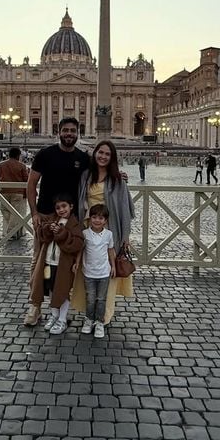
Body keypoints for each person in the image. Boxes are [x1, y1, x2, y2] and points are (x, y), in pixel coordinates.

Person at [72, 139, 135, 326]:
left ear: (112, 158)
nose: (103, 156)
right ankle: (89, 312)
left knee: (108, 273)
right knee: (88, 271)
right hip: (87, 229)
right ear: (95, 153)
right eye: (100, 152)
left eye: (107, 154)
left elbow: (124, 208)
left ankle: (103, 316)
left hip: (110, 229)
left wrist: (125, 237)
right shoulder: (85, 176)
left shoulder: (117, 179)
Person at [25, 194, 84, 334]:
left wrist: (63, 234)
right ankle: (54, 315)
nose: (61, 210)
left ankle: (62, 319)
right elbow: (41, 235)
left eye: (64, 206)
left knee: (62, 291)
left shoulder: (74, 223)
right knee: (51, 289)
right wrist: (47, 229)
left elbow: (77, 244)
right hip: (48, 262)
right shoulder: (52, 219)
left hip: (62, 265)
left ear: (71, 206)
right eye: (58, 207)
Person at [74, 204, 116, 339]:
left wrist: (113, 266)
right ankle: (89, 319)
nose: (97, 220)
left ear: (106, 221)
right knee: (90, 299)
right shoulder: (85, 234)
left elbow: (110, 251)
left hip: (104, 273)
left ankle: (99, 322)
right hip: (89, 273)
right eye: (94, 217)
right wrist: (77, 262)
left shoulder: (109, 234)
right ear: (90, 218)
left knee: (101, 299)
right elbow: (80, 250)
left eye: (101, 218)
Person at [0, 147, 29, 240]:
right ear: (18, 155)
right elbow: (26, 179)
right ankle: (11, 232)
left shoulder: (1, 165)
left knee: (4, 209)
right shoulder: (22, 166)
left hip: (4, 191)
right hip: (17, 192)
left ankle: (11, 230)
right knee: (15, 213)